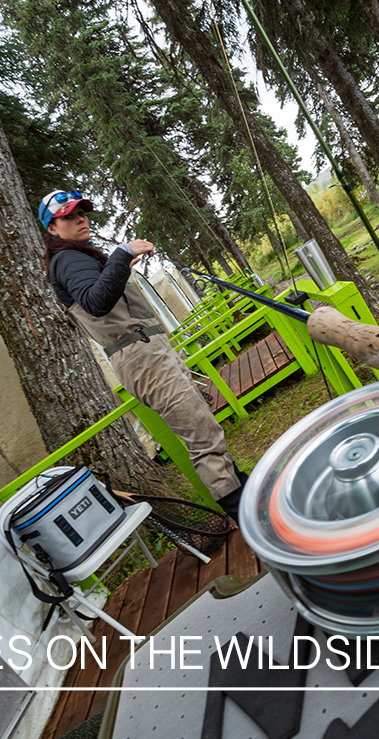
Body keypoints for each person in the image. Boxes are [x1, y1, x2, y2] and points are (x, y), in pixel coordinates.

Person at [38, 189, 245, 519]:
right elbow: (96, 302)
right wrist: (122, 254)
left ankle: (243, 489)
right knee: (201, 436)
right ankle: (244, 511)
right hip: (142, 356)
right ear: (52, 228)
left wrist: (119, 267)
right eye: (69, 216)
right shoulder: (67, 259)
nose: (80, 219)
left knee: (203, 427)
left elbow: (101, 297)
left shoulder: (75, 258)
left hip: (146, 352)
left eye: (82, 213)